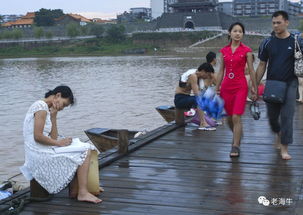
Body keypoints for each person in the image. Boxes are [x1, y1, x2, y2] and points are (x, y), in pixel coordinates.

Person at [20, 85, 102, 203]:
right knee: (84, 150)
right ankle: (83, 193)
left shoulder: (46, 109)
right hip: (37, 152)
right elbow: (37, 136)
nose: (62, 108)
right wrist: (59, 143)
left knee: (79, 145)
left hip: (43, 148)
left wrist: (54, 115)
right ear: (58, 95)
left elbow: (53, 137)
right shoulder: (40, 106)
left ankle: (76, 190)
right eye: (64, 104)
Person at [255, 11, 299, 160]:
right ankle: (278, 133)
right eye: (273, 23)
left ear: (286, 22)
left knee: (287, 116)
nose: (275, 25)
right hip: (272, 84)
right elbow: (261, 65)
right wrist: (254, 85)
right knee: (273, 118)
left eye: (278, 22)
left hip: (290, 84)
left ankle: (284, 148)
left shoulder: (296, 41)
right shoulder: (267, 42)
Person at [216, 22, 257, 157]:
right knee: (228, 118)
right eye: (235, 31)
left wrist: (254, 88)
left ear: (243, 34)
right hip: (226, 87)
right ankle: (238, 134)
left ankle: (235, 146)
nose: (238, 33)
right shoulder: (224, 51)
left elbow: (251, 70)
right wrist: (217, 87)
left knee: (236, 116)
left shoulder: (247, 51)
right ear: (230, 33)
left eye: (240, 31)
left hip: (240, 86)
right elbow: (221, 71)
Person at [175, 62, 216, 130]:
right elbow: (197, 93)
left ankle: (206, 118)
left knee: (180, 123)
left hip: (184, 98)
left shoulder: (198, 76)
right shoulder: (193, 76)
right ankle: (202, 123)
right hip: (180, 99)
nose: (207, 77)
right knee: (199, 100)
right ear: (203, 71)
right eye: (207, 74)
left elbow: (202, 91)